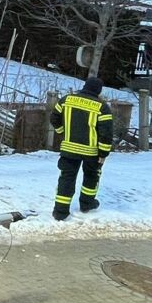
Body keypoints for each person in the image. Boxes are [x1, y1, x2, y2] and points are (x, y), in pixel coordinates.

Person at [51, 76, 113, 221]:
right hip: (91, 152)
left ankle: (60, 212)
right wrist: (103, 153)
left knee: (66, 178)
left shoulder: (66, 100)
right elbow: (106, 134)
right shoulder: (102, 107)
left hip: (69, 149)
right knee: (91, 177)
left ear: (85, 86)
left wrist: (63, 133)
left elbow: (54, 118)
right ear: (98, 91)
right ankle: (87, 204)